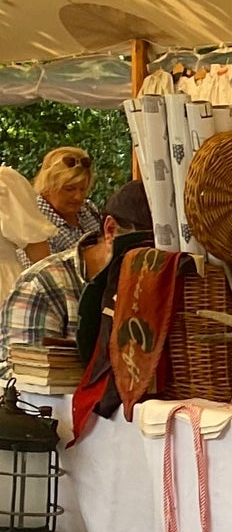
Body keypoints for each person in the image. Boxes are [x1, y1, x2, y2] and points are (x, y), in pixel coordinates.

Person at [0, 181, 142, 385]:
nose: (154, 260)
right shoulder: (42, 286)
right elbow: (25, 392)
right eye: (144, 247)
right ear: (110, 230)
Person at [27, 148, 102, 260]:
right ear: (48, 185)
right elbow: (37, 275)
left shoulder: (88, 209)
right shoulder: (34, 223)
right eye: (69, 189)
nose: (78, 197)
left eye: (83, 189)